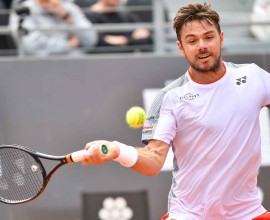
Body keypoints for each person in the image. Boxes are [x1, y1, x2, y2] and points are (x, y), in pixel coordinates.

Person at [81, 3, 270, 220]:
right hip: (189, 215)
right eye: (192, 41)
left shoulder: (254, 77)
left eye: (208, 37)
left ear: (221, 38)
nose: (202, 46)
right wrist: (116, 150)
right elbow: (153, 160)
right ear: (181, 47)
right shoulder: (170, 98)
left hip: (247, 213)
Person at [9, 0, 98, 56]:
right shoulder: (23, 10)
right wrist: (68, 45)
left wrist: (66, 17)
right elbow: (31, 46)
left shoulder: (69, 7)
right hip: (39, 64)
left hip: (74, 60)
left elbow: (90, 41)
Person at [86, 0, 153, 52]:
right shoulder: (89, 16)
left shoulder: (126, 14)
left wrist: (125, 40)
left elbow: (147, 38)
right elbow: (98, 42)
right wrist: (132, 40)